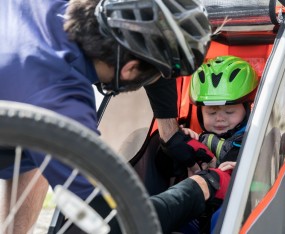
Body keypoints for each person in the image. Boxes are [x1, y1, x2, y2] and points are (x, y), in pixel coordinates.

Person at [0, 0, 212, 232]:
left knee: (40, 147)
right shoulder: (65, 104)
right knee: (52, 143)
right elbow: (112, 217)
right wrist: (195, 190)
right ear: (130, 69)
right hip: (34, 101)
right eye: (154, 74)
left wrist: (169, 130)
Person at [160, 55, 259, 233]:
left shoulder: (253, 140)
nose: (220, 118)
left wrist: (245, 170)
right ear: (200, 113)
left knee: (220, 217)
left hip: (232, 211)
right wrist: (183, 144)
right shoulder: (198, 139)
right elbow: (165, 169)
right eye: (211, 113)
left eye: (229, 111)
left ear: (247, 109)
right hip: (194, 211)